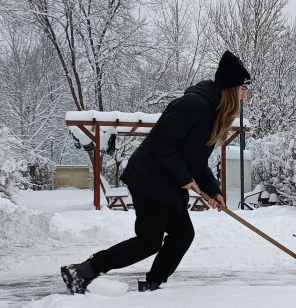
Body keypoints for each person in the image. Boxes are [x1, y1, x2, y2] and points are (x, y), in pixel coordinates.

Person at [60, 50, 251, 294]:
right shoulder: (193, 105)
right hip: (149, 179)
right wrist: (185, 178)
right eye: (243, 89)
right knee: (148, 242)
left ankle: (152, 285)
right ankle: (83, 271)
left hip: (166, 183)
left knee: (182, 235)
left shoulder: (212, 114)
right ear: (231, 89)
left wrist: (213, 191)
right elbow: (162, 145)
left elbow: (197, 163)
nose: (245, 95)